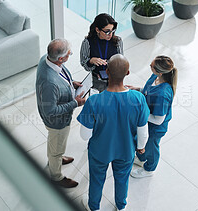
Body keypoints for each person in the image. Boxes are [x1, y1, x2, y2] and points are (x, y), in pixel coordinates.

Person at [77, 54, 150, 211]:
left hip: (99, 151)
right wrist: (140, 147)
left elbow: (85, 135)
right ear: (128, 73)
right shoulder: (138, 99)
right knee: (122, 179)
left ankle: (94, 207)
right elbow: (143, 132)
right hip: (126, 150)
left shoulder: (94, 101)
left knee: (96, 180)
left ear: (107, 72)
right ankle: (121, 206)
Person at [36, 38, 86, 188]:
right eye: (69, 54)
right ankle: (56, 176)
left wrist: (71, 83)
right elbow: (51, 111)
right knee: (56, 145)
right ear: (61, 59)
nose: (70, 54)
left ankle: (56, 156)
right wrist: (75, 103)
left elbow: (61, 77)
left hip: (58, 118)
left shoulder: (46, 59)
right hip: (57, 123)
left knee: (55, 145)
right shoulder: (50, 83)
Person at [127, 55, 178, 178]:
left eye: (152, 66)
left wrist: (139, 112)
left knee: (151, 148)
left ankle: (149, 169)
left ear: (160, 72)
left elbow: (158, 119)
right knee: (141, 141)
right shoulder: (156, 77)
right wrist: (137, 89)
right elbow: (148, 89)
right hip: (146, 121)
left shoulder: (163, 94)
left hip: (155, 128)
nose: (149, 66)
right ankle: (141, 158)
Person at [80, 13, 124, 92]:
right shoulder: (87, 42)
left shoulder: (118, 41)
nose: (110, 34)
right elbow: (84, 64)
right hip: (97, 81)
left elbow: (121, 62)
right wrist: (91, 61)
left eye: (112, 30)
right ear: (97, 30)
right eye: (107, 31)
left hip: (114, 80)